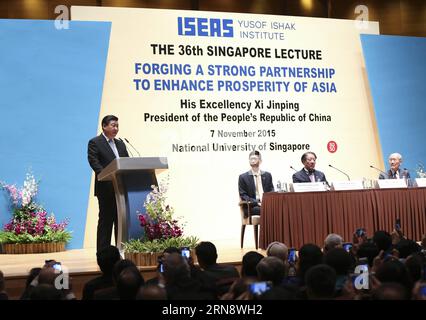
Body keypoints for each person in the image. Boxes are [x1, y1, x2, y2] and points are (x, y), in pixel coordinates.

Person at [88, 115, 129, 252]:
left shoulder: (121, 144)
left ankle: (121, 250)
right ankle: (102, 253)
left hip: (122, 189)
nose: (116, 128)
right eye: (113, 125)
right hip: (106, 188)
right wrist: (108, 176)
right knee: (106, 221)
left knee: (121, 222)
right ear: (104, 126)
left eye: (117, 126)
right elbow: (94, 162)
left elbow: (127, 163)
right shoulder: (95, 142)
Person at [238, 150, 274, 217]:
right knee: (267, 210)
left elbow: (271, 191)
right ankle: (265, 228)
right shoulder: (243, 177)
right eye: (251, 159)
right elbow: (243, 195)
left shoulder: (267, 175)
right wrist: (257, 202)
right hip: (251, 207)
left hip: (266, 204)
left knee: (278, 209)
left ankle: (273, 227)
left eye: (255, 158)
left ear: (260, 161)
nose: (253, 160)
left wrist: (266, 202)